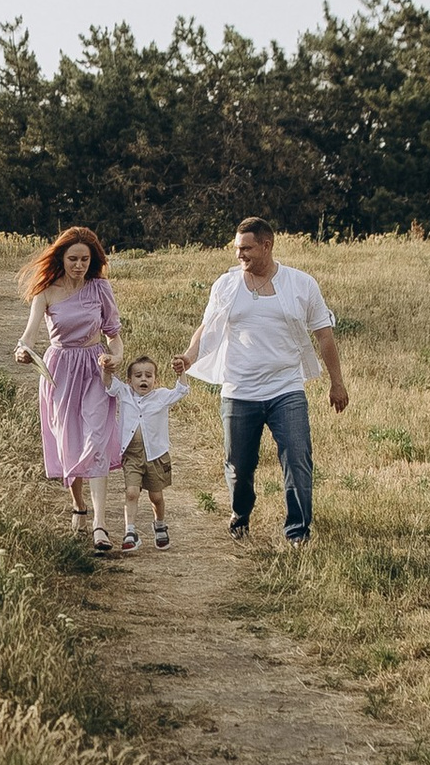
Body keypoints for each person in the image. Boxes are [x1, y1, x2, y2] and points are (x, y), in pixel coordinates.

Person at [178, 216, 348, 546]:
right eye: (237, 248)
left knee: (297, 459)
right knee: (239, 466)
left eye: (246, 248)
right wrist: (188, 357)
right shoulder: (226, 285)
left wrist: (336, 382)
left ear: (266, 245)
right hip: (239, 391)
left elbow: (324, 335)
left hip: (286, 388)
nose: (239, 254)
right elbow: (207, 327)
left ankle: (298, 531)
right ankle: (240, 515)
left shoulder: (301, 284)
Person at [12, 224, 123, 550]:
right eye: (73, 259)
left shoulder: (100, 288)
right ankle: (79, 505)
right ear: (61, 258)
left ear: (92, 260)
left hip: (95, 368)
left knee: (96, 439)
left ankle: (100, 525)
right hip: (59, 371)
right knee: (68, 441)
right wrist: (22, 352)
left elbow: (114, 335)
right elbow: (29, 335)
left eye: (84, 259)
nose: (78, 265)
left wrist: (115, 357)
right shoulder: (45, 291)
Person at [108, 350, 193, 549]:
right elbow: (109, 383)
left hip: (155, 455)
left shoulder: (161, 396)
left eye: (148, 375)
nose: (143, 379)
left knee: (156, 496)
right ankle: (130, 531)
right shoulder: (124, 393)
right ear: (129, 381)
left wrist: (181, 371)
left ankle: (160, 525)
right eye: (138, 376)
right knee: (131, 492)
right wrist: (106, 367)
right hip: (132, 456)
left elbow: (182, 390)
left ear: (156, 380)